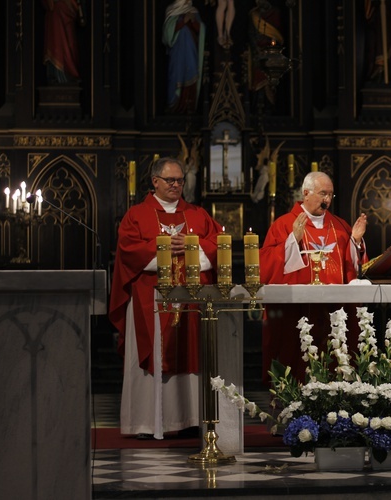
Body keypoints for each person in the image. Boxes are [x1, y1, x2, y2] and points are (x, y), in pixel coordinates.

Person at [109, 157, 223, 439]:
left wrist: (191, 244)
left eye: (180, 180)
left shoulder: (197, 214)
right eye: (170, 180)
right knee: (154, 353)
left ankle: (191, 419)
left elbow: (217, 242)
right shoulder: (137, 215)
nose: (176, 185)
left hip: (191, 299)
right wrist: (162, 248)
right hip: (150, 299)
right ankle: (147, 423)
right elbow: (128, 250)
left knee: (190, 350)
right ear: (155, 181)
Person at [260, 171, 368, 381]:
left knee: (334, 360)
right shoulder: (283, 225)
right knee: (296, 362)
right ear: (306, 193)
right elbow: (266, 265)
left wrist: (355, 241)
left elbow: (354, 268)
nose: (327, 200)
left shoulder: (340, 226)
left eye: (330, 195)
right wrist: (293, 240)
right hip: (297, 313)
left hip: (334, 312)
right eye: (322, 194)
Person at [163, 0, 206, 114]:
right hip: (177, 53)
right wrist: (183, 22)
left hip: (191, 52)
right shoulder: (171, 10)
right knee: (176, 75)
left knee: (191, 73)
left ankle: (190, 107)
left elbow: (201, 31)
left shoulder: (193, 11)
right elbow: (167, 36)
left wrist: (192, 21)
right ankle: (174, 105)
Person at [41, 0, 85, 84]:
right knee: (55, 43)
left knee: (69, 45)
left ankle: (70, 75)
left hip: (67, 12)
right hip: (54, 15)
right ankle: (56, 76)